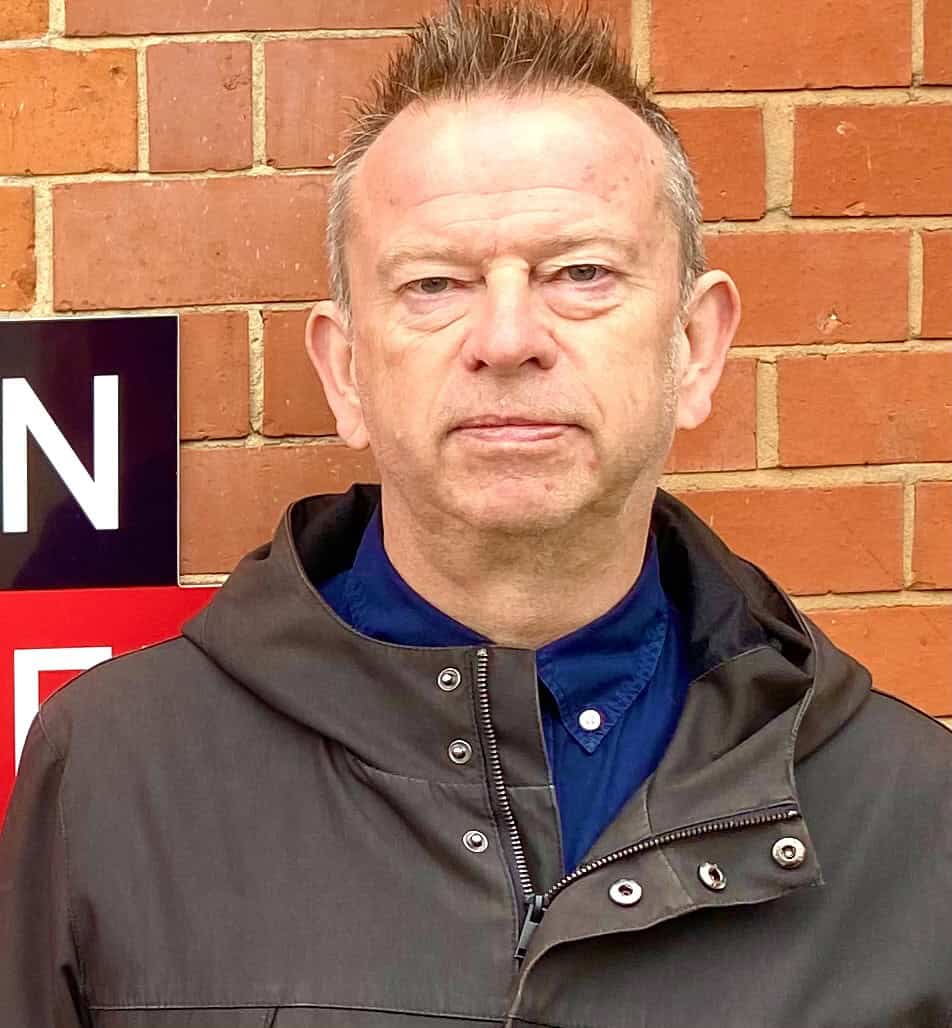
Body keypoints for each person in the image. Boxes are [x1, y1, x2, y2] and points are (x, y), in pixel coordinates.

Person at [2, 3, 950, 1025]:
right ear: (344, 368)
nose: (507, 336)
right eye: (435, 282)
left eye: (580, 273)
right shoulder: (117, 773)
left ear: (696, 346)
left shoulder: (908, 813)